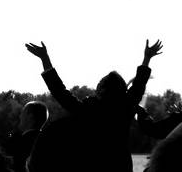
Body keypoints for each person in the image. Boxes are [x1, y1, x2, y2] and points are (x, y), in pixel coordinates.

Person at [25, 39, 162, 172]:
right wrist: (147, 58)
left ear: (100, 89)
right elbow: (139, 84)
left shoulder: (86, 111)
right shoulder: (125, 109)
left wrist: (45, 59)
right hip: (120, 166)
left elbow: (60, 91)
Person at [5, 101, 48, 172]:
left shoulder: (20, 144)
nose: (20, 116)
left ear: (30, 117)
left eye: (22, 113)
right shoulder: (46, 142)